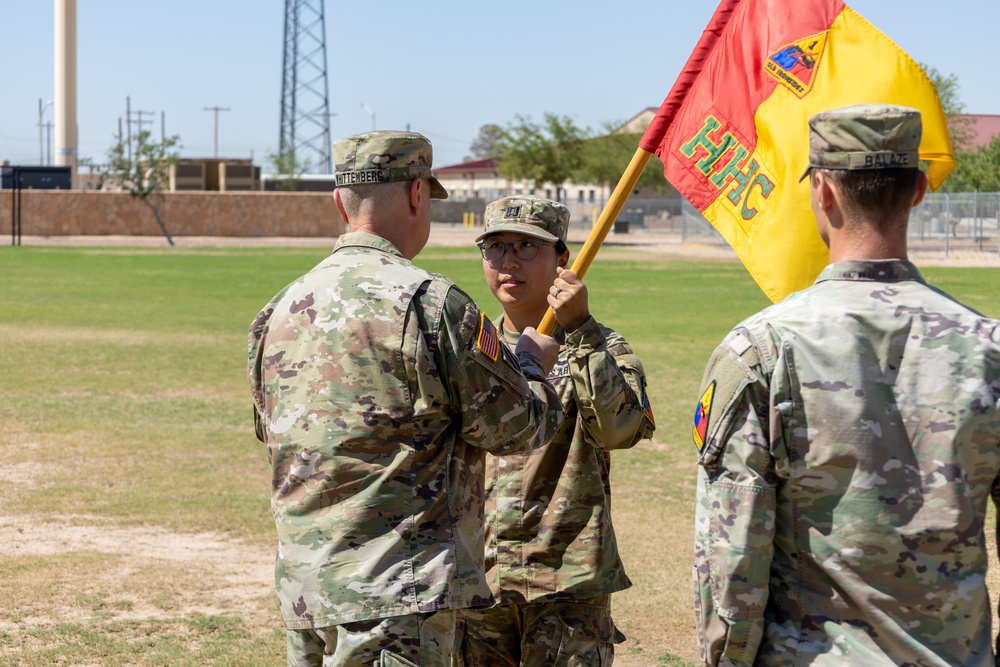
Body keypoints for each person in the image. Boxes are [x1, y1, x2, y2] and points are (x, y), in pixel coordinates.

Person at [691, 104, 1000, 666]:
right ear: (919, 191)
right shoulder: (989, 349)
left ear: (824, 192)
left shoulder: (761, 349)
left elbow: (732, 559)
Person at [247, 131, 565, 667]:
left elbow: (273, 435)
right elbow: (518, 429)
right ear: (417, 194)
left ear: (339, 203)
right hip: (396, 597)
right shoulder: (431, 303)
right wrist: (531, 360)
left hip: (307, 593)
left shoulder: (279, 309)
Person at [459, 195, 656, 666]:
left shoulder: (599, 345)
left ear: (563, 257)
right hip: (480, 576)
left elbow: (622, 430)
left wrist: (581, 330)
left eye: (528, 246)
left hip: (566, 580)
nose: (509, 262)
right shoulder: (468, 345)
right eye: (496, 247)